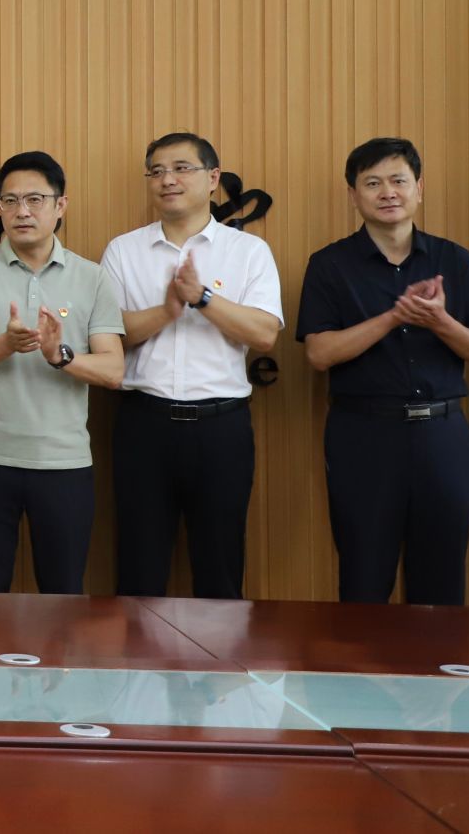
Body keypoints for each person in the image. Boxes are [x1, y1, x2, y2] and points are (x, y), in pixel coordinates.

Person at [296, 137, 469, 606]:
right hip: (363, 436)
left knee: (442, 580)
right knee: (364, 576)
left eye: (398, 181)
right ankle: (361, 659)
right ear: (353, 195)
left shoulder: (454, 260)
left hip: (443, 436)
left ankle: (435, 656)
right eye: (372, 183)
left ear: (419, 188)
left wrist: (440, 320)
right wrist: (394, 316)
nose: (387, 192)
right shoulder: (330, 265)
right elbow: (320, 354)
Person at [100, 133, 282, 599]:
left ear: (213, 178)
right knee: (139, 569)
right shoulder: (123, 250)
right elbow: (109, 335)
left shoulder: (248, 251)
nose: (168, 180)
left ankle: (219, 651)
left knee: (220, 568)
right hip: (145, 423)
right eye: (157, 171)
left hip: (221, 427)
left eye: (182, 168)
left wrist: (201, 298)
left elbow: (264, 334)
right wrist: (167, 310)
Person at [0, 151, 125, 595]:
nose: (22, 211)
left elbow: (114, 370)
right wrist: (5, 345)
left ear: (61, 206)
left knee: (63, 595)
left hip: (64, 462)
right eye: (10, 201)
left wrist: (60, 356)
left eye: (35, 200)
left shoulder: (92, 277)